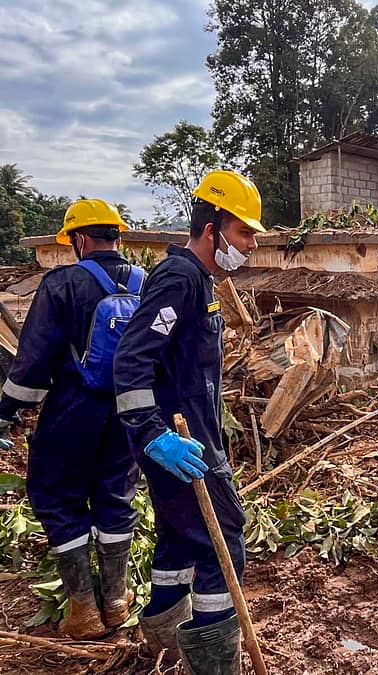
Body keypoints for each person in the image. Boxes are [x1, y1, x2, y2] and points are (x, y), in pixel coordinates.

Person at [114, 170, 264, 673]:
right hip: (179, 446)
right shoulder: (179, 280)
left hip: (191, 441)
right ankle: (215, 662)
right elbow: (130, 360)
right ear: (211, 228)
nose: (249, 246)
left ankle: (164, 643)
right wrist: (154, 437)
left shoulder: (200, 282)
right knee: (224, 539)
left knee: (179, 538)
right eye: (243, 233)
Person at [0, 200, 143, 639]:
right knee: (116, 495)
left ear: (79, 239)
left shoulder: (62, 283)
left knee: (59, 498)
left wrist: (6, 411)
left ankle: (82, 608)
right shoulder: (147, 283)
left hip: (72, 412)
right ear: (117, 236)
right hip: (130, 411)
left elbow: (32, 362)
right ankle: (117, 600)